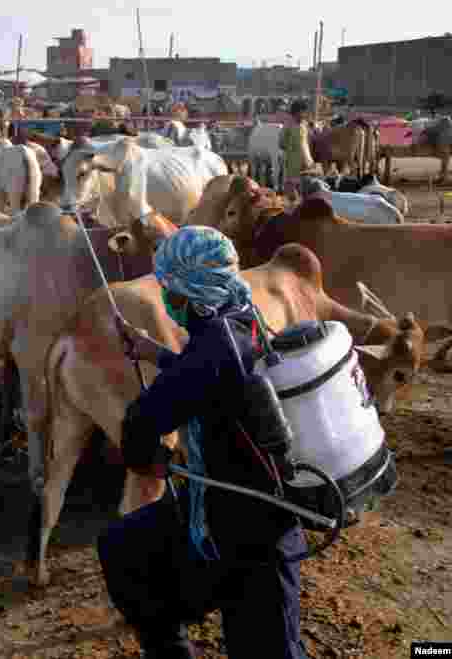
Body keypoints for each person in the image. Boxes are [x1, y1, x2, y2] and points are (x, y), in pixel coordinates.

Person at [100, 225, 310, 659]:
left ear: (185, 292)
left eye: (168, 289)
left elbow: (141, 422)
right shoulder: (240, 320)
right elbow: (209, 380)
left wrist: (150, 458)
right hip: (226, 509)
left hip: (254, 538)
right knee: (126, 549)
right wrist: (154, 352)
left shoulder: (213, 346)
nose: (165, 300)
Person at [279, 100, 314, 202]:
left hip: (307, 162)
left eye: (305, 112)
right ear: (296, 112)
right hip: (292, 164)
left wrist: (308, 159)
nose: (305, 114)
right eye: (303, 112)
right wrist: (293, 149)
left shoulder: (304, 125)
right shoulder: (288, 126)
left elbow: (306, 143)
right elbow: (281, 143)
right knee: (292, 191)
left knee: (306, 190)